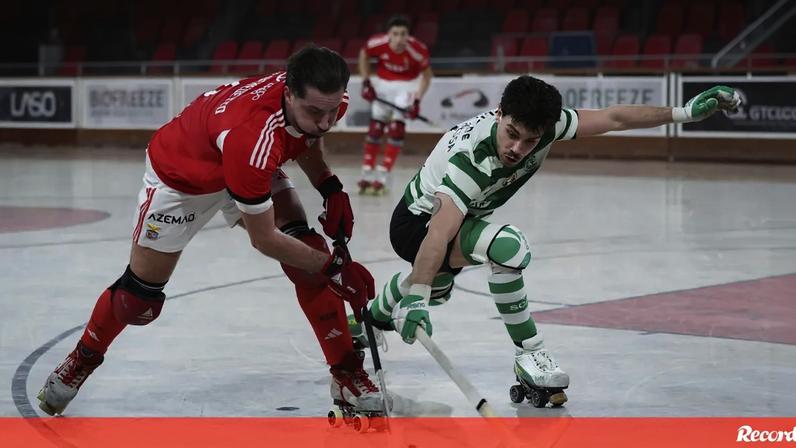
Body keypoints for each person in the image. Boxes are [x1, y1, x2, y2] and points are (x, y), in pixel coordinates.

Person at [352, 76, 741, 406]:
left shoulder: (546, 127)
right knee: (508, 248)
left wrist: (684, 113)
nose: (517, 150)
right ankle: (531, 355)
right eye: (512, 135)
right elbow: (439, 232)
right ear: (500, 113)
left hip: (455, 221)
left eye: (530, 141)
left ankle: (375, 314)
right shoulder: (474, 158)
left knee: (441, 282)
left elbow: (614, 117)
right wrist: (419, 299)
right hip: (417, 226)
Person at [38, 46, 381, 416]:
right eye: (316, 111)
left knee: (306, 259)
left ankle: (346, 373)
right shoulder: (252, 137)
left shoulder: (325, 98)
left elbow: (305, 136)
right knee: (137, 300)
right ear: (288, 93)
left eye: (333, 112)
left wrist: (329, 185)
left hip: (240, 163)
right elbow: (264, 239)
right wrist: (332, 267)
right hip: (182, 180)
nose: (327, 121)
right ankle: (83, 358)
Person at [357, 15, 432, 196]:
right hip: (383, 84)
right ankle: (367, 171)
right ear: (388, 35)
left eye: (403, 34)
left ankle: (384, 173)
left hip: (407, 86)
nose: (400, 39)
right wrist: (366, 81)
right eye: (395, 34)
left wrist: (417, 100)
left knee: (396, 129)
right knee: (375, 128)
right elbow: (363, 55)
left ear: (408, 35)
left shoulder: (418, 50)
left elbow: (427, 76)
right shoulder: (377, 43)